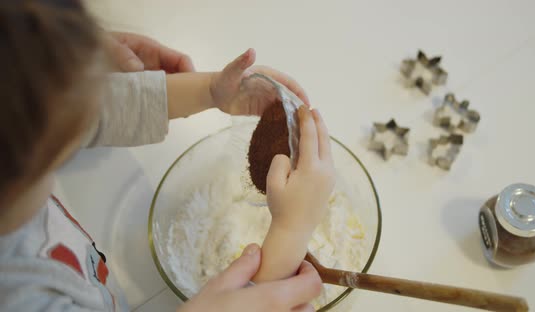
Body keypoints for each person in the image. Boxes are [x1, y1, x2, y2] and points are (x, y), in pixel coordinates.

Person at [0, 1, 335, 312]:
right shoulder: (25, 298)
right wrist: (292, 230)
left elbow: (82, 112)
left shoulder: (18, 144)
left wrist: (208, 91)